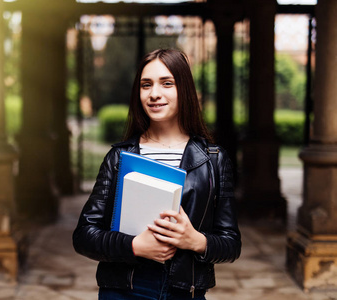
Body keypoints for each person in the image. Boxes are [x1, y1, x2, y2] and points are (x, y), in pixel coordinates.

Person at [72, 48, 241, 300]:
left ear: (183, 89)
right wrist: (134, 246)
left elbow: (231, 243)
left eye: (167, 83)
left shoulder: (214, 159)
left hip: (185, 292)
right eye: (145, 85)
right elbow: (84, 235)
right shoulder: (118, 158)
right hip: (123, 289)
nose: (154, 94)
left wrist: (195, 240)